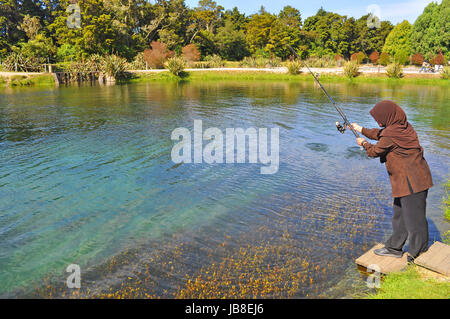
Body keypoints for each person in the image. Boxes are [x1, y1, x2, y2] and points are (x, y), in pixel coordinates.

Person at [351, 100, 433, 263]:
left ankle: (418, 253)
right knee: (400, 215)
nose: (378, 121)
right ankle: (394, 247)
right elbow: (380, 133)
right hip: (413, 179)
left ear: (387, 115)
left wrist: (364, 143)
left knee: (414, 220)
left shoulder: (391, 134)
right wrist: (360, 129)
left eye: (379, 117)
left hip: (412, 182)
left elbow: (374, 151)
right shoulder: (403, 126)